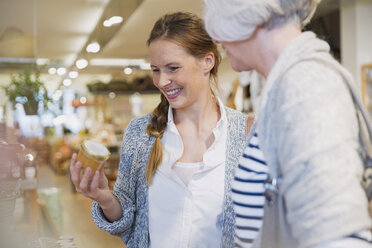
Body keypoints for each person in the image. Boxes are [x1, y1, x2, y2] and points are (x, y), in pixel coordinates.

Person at [70, 12, 248, 248]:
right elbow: (127, 221)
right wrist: (105, 198)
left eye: (173, 68)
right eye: (155, 70)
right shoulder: (140, 133)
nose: (162, 81)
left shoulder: (244, 132)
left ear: (208, 61)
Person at [203, 0, 372, 247]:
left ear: (248, 14)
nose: (216, 38)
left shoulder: (306, 86)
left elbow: (339, 237)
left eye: (219, 19)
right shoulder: (287, 85)